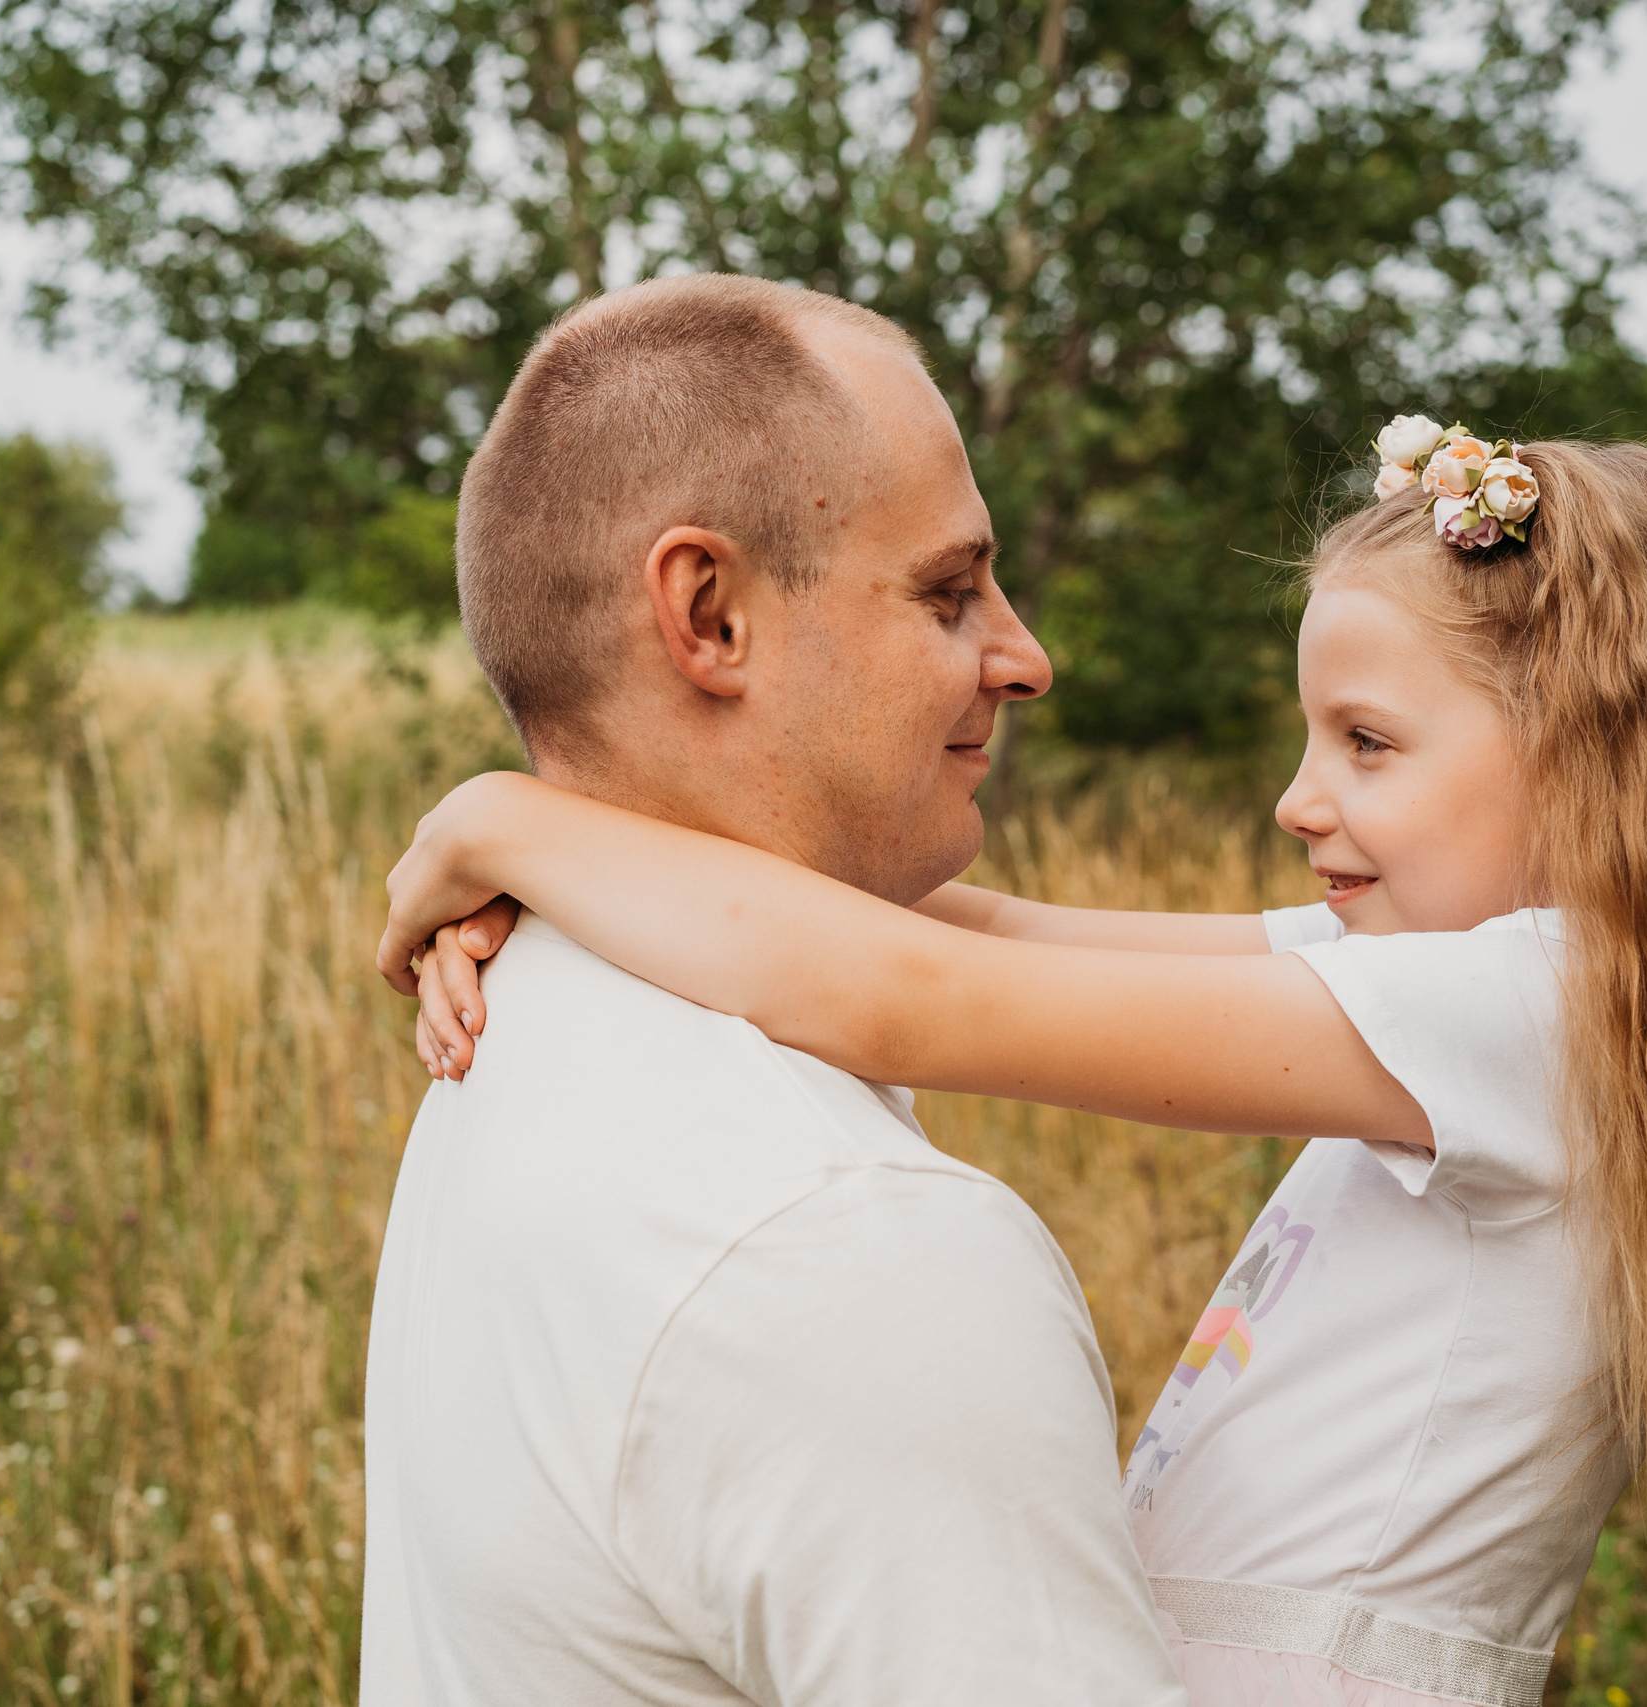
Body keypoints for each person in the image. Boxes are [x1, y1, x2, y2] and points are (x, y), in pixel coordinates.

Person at [383, 426, 1647, 1707]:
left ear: (1590, 760)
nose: (1301, 800)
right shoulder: (1475, 991)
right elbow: (984, 923)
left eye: (1369, 744)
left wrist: (502, 823)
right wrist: (584, 868)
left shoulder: (1544, 1012)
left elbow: (910, 996)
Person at [358, 273, 1189, 1706]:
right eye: (948, 591)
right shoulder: (844, 1246)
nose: (1025, 657)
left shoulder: (537, 1016)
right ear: (711, 614)